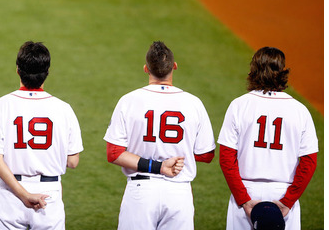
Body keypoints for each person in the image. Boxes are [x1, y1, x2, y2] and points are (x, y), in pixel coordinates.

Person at [104, 41, 215, 230]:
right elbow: (206, 155)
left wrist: (155, 162)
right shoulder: (194, 103)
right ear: (174, 66)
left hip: (141, 192)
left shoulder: (129, 101)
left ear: (146, 69)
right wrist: (179, 153)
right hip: (179, 193)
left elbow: (113, 153)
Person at [0, 41, 83, 229]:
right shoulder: (64, 109)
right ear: (47, 72)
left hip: (10, 194)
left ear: (18, 70)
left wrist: (22, 194)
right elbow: (73, 161)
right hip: (48, 197)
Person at [217, 47, 318, 230]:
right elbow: (309, 162)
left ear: (253, 71)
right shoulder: (300, 111)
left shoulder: (239, 106)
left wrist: (243, 200)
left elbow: (226, 158)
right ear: (282, 73)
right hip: (283, 196)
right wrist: (288, 201)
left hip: (246, 192)